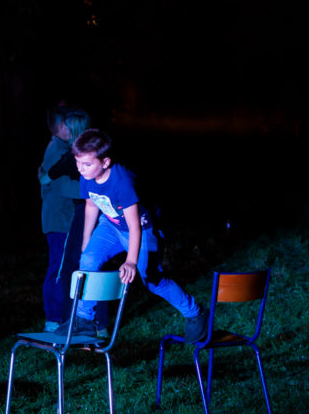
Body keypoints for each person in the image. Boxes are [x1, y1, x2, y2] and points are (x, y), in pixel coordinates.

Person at [59, 128, 208, 342]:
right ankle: (84, 321)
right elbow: (91, 205)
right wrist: (86, 242)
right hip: (110, 225)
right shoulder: (86, 175)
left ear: (105, 162)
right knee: (88, 259)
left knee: (152, 279)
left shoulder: (122, 182)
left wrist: (130, 261)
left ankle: (195, 312)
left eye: (87, 164)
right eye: (78, 163)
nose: (80, 169)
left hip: (140, 230)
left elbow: (134, 225)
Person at [37, 106, 90, 332]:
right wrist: (92, 188)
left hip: (62, 216)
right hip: (60, 219)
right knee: (58, 267)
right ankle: (54, 318)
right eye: (66, 125)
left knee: (63, 266)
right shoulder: (57, 151)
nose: (68, 129)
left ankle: (63, 315)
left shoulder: (62, 149)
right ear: (60, 127)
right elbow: (58, 185)